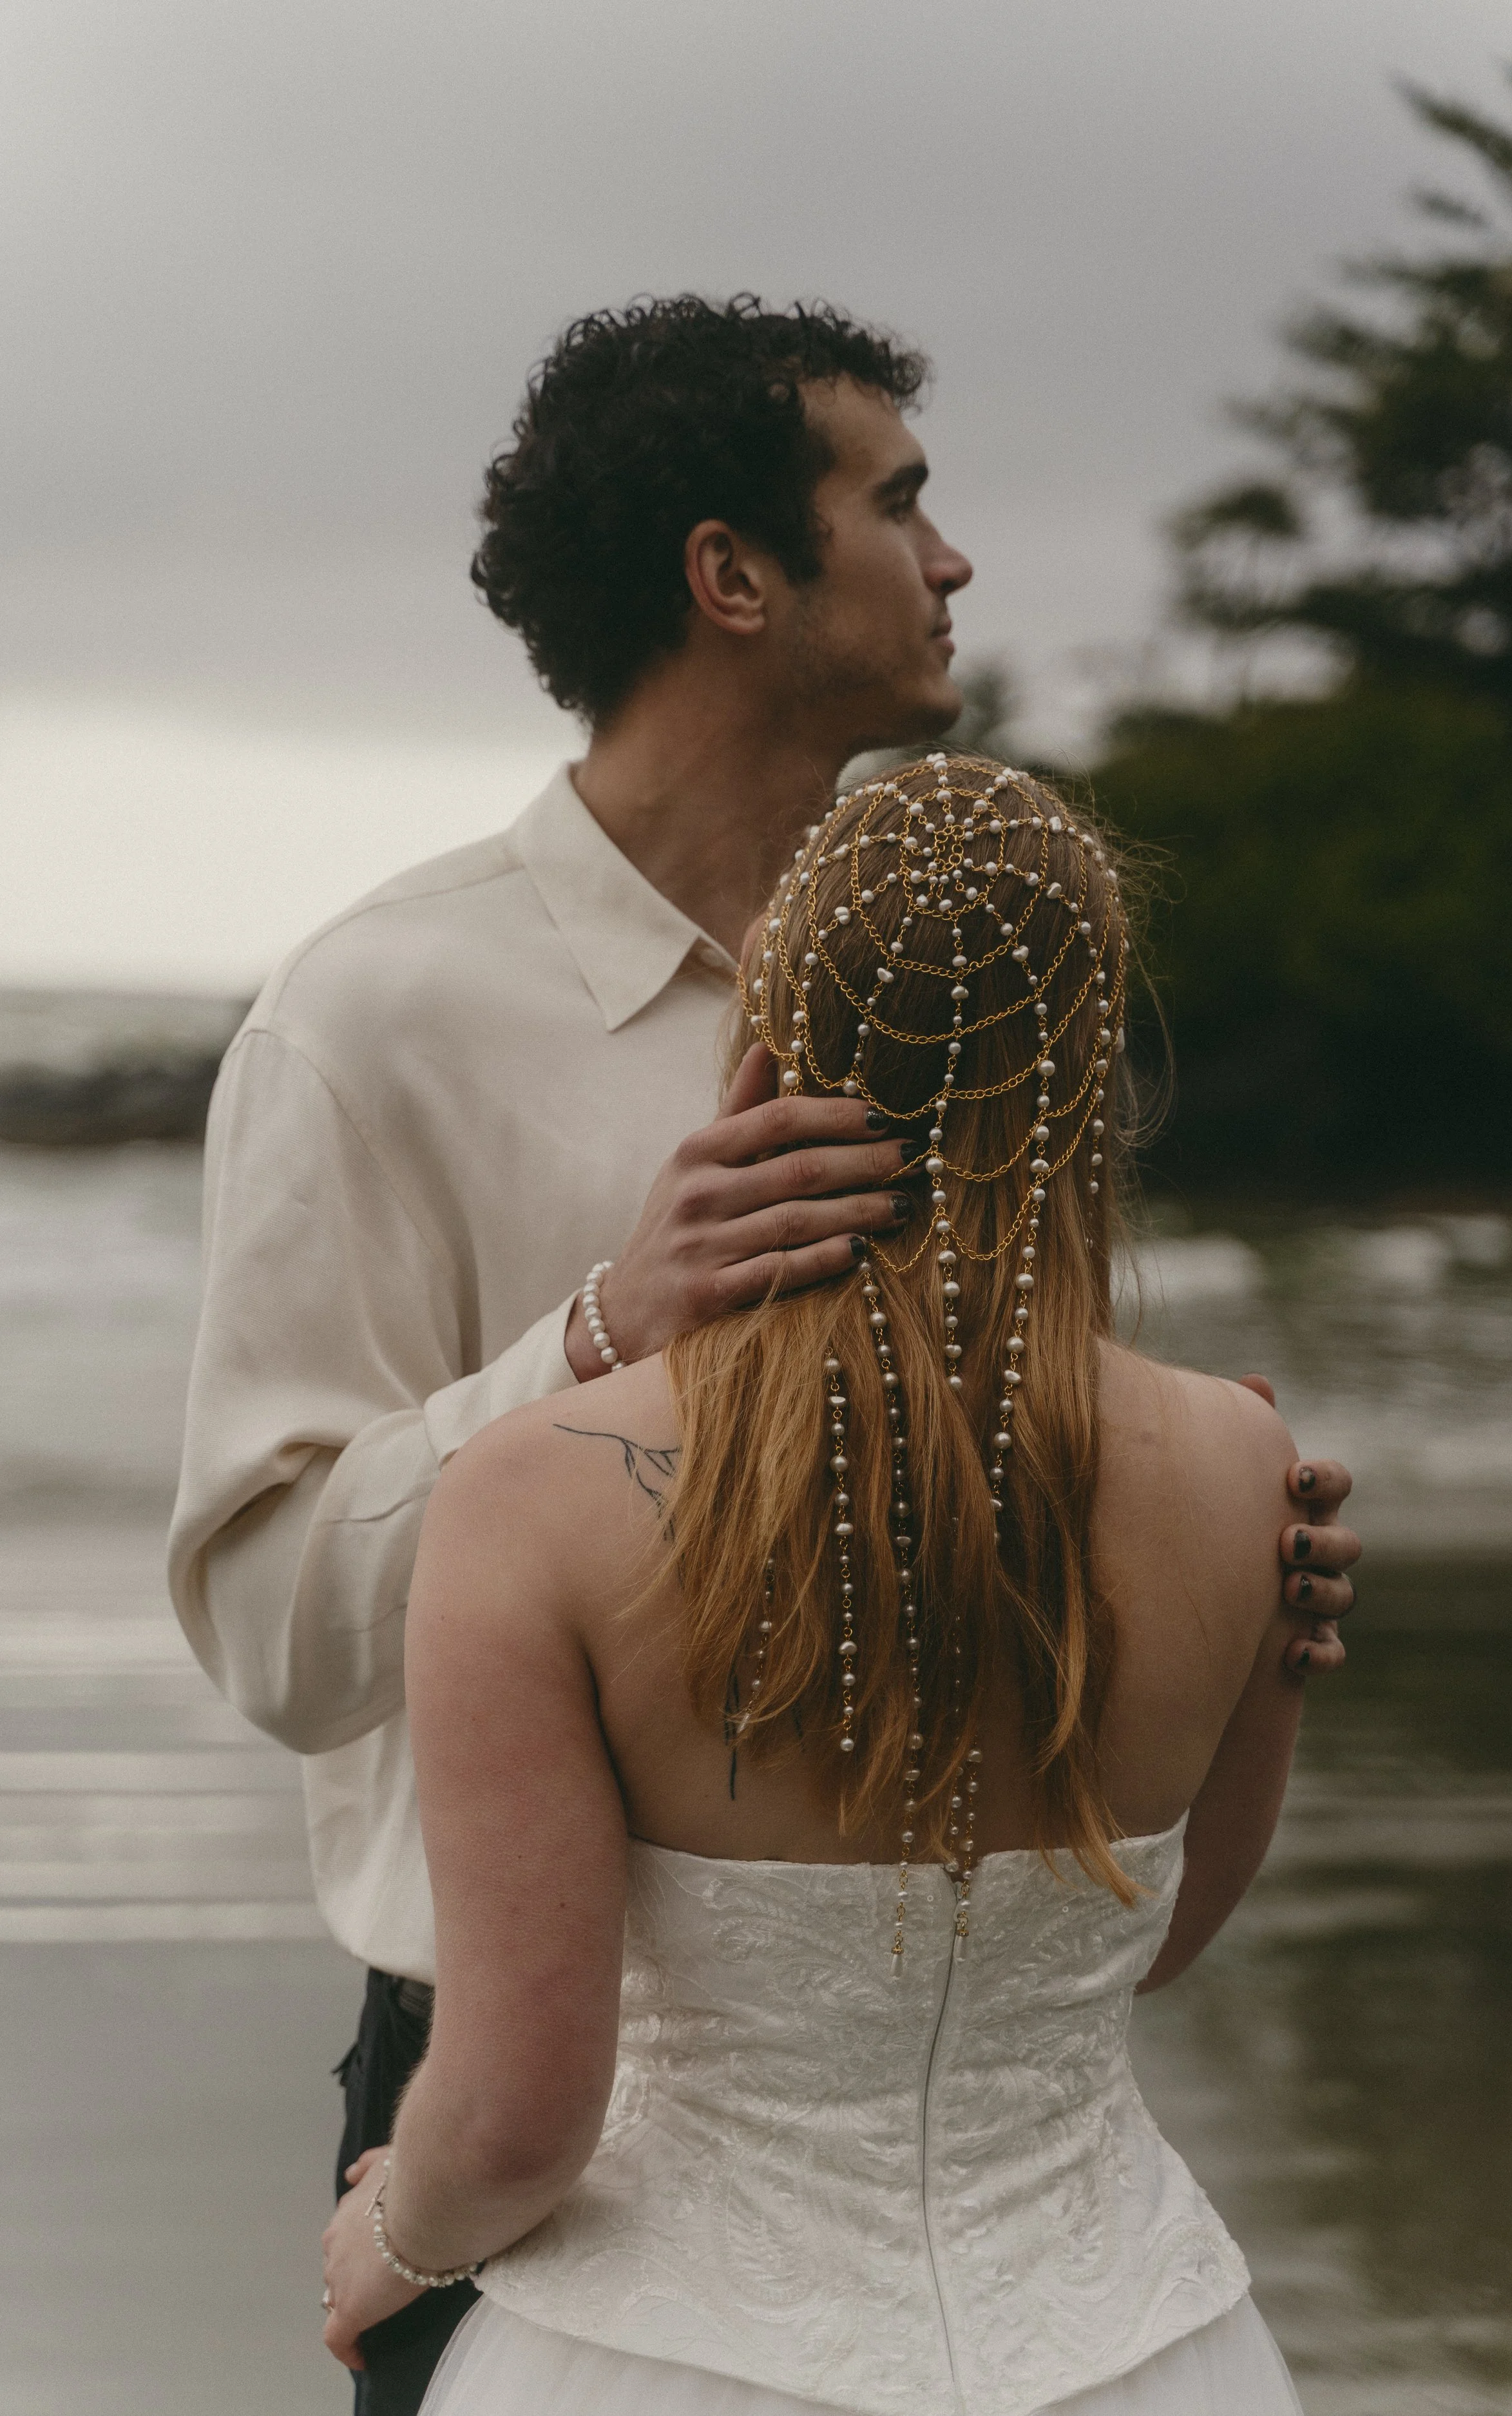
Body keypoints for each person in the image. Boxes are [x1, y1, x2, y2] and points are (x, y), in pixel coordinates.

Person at [168, 298, 1355, 2413]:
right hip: (509, 2086)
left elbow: (989, 1474)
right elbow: (272, 1638)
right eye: (900, 503)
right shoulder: (369, 1023)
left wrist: (1214, 1569)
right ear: (733, 577)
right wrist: (599, 1337)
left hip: (968, 2056)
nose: (957, 559)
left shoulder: (954, 981)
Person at [319, 756, 1316, 2413]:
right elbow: (1145, 1945)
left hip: (662, 2365)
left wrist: (396, 2244)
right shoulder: (1247, 1475)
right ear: (1084, 1076)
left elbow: (516, 2113)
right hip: (1136, 2358)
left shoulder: (532, 1501)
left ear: (768, 1050)